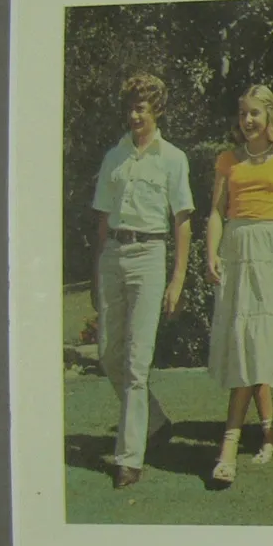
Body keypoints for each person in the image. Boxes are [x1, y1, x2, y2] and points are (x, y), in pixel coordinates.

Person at [90, 73, 195, 489]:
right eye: (131, 106)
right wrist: (98, 271)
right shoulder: (113, 157)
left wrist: (177, 280)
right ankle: (155, 420)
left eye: (142, 107)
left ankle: (128, 459)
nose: (135, 114)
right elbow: (101, 219)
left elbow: (182, 222)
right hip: (113, 256)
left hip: (150, 257)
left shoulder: (173, 158)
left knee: (136, 362)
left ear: (157, 110)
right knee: (107, 354)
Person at [204, 84, 273, 485]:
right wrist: (210, 252)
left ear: (270, 117)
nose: (248, 121)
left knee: (258, 342)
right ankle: (268, 430)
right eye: (243, 113)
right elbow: (215, 212)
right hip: (235, 250)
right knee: (244, 342)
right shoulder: (228, 159)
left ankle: (228, 445)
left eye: (255, 114)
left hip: (269, 253)